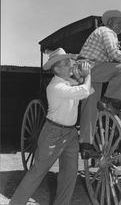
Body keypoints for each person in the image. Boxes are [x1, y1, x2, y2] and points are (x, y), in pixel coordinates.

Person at [9, 48, 93, 205]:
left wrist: (80, 78)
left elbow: (88, 90)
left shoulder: (69, 83)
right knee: (37, 173)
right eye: (67, 64)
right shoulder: (55, 87)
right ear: (56, 69)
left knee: (69, 175)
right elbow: (85, 91)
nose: (71, 66)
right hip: (53, 132)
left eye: (70, 62)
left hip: (70, 133)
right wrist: (87, 75)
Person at [79, 9, 121, 159]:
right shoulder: (107, 32)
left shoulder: (104, 32)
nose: (120, 26)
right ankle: (106, 102)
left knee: (90, 109)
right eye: (118, 22)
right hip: (90, 67)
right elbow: (114, 53)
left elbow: (111, 54)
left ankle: (86, 146)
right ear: (110, 22)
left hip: (91, 70)